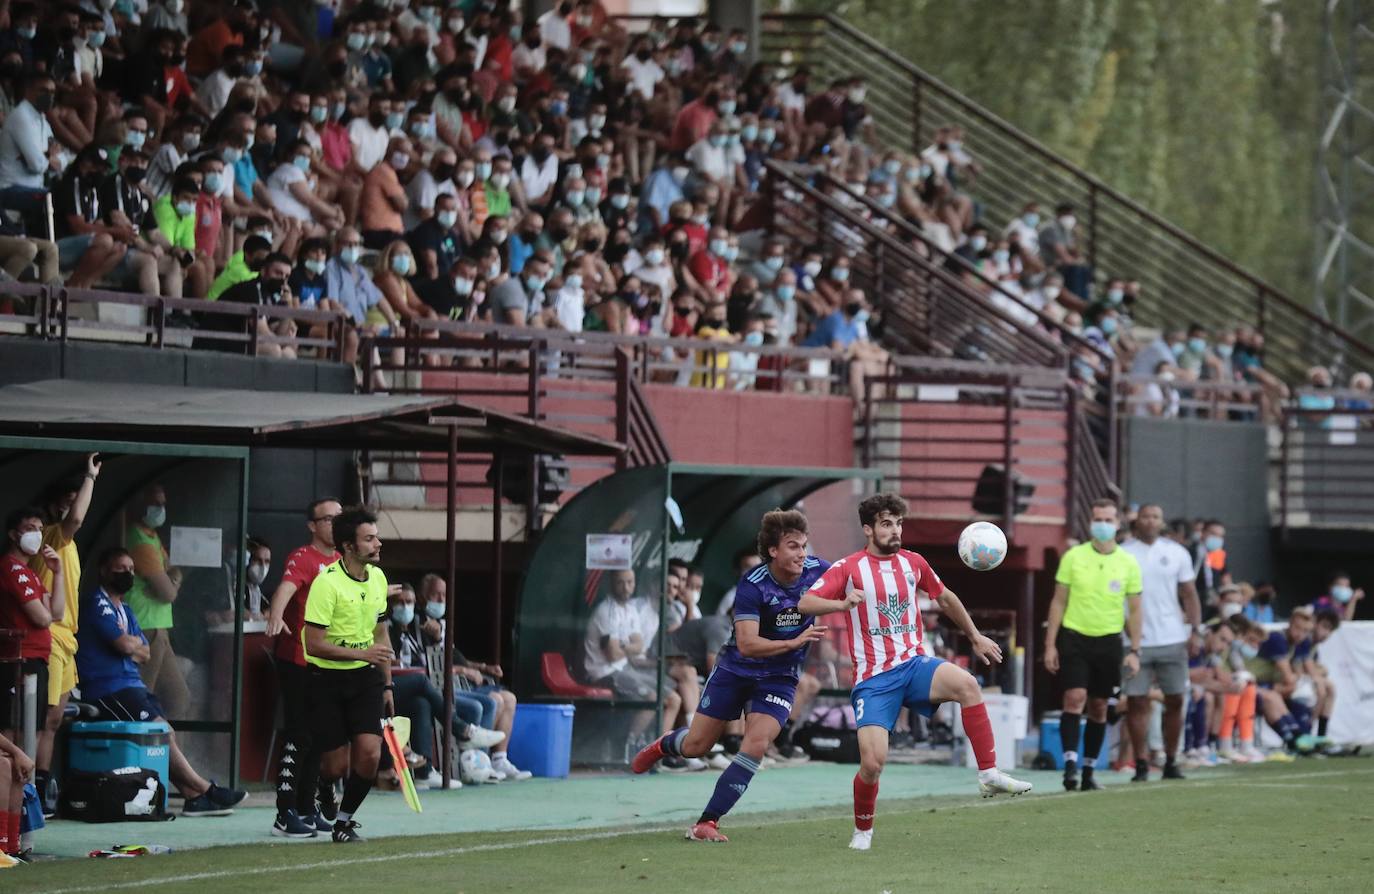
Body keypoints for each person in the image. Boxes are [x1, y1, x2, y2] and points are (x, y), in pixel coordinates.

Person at [798, 493, 1031, 851]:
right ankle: (863, 831)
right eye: (887, 524)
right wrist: (841, 603)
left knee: (968, 685)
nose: (896, 531)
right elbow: (806, 602)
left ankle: (988, 774)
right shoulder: (848, 568)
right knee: (873, 764)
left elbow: (946, 597)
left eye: (899, 523)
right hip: (874, 680)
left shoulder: (913, 562)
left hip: (913, 664)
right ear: (868, 529)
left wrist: (975, 636)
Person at [631, 509, 831, 842]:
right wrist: (795, 641)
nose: (802, 555)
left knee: (756, 743)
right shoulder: (752, 584)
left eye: (804, 546)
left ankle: (707, 822)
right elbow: (748, 644)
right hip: (736, 670)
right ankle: (666, 744)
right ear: (773, 551)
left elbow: (854, 575)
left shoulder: (818, 571)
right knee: (696, 746)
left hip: (779, 677)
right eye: (793, 547)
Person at [76, 547, 246, 817]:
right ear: (104, 570)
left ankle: (194, 795)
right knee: (160, 732)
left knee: (165, 731)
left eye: (132, 570)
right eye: (121, 568)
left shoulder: (126, 609)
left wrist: (130, 644)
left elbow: (144, 652)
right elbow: (123, 644)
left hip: (131, 685)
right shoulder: (96, 603)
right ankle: (204, 789)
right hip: (107, 689)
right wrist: (128, 644)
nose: (127, 574)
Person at [300, 507, 394, 843]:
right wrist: (362, 652)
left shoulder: (379, 579)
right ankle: (325, 786)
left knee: (370, 753)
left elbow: (381, 635)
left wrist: (387, 684)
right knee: (335, 766)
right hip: (326, 679)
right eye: (369, 539)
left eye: (376, 536)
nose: (377, 543)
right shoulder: (326, 583)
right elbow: (313, 644)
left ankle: (344, 820)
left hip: (365, 677)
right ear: (348, 546)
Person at [1045, 498, 1143, 792]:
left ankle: (1089, 769)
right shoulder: (1074, 556)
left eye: (1108, 520)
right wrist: (1050, 644)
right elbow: (1058, 601)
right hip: (1075, 637)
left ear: (1117, 523)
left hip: (1110, 640)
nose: (1102, 524)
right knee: (1074, 698)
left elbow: (1136, 609)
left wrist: (1135, 650)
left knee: (1100, 706)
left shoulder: (1128, 562)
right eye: (1097, 519)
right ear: (1091, 521)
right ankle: (1070, 766)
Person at [264, 497, 343, 838]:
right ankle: (285, 813)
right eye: (329, 519)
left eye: (340, 518)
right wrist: (276, 614)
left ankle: (308, 810)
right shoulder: (304, 556)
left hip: (327, 661)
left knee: (319, 736)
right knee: (299, 733)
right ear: (313, 525)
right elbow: (286, 587)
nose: (336, 525)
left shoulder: (342, 560)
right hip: (297, 658)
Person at [29, 455, 99, 817]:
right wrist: (90, 476)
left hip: (67, 638)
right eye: (68, 500)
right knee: (44, 717)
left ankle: (42, 782)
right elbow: (74, 519)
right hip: (50, 635)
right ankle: (34, 788)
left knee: (55, 719)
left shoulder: (65, 545)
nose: (74, 508)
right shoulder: (52, 534)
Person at [1120, 504, 1202, 782]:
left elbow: (1189, 594)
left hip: (1173, 636)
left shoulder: (1177, 552)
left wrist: (1195, 630)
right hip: (1134, 640)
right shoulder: (1123, 552)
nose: (1151, 520)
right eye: (1145, 516)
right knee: (1137, 701)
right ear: (1137, 521)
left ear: (1161, 521)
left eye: (1155, 516)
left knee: (1176, 698)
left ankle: (1170, 759)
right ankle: (1141, 762)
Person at [124, 484, 189, 722]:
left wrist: (171, 580)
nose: (161, 509)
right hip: (145, 625)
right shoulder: (138, 538)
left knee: (178, 697)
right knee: (142, 698)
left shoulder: (152, 535)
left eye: (163, 504)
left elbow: (173, 572)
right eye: (155, 504)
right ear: (142, 506)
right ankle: (141, 755)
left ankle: (169, 756)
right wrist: (170, 582)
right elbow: (168, 593)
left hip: (160, 627)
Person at [0, 508, 63, 745]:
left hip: (37, 660)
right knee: (12, 731)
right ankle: (9, 782)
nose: (37, 535)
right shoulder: (11, 567)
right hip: (19, 661)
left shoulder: (32, 573)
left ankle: (27, 783)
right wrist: (46, 614)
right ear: (13, 535)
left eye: (40, 530)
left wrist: (57, 572)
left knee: (33, 731)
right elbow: (42, 618)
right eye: (29, 529)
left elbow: (56, 613)